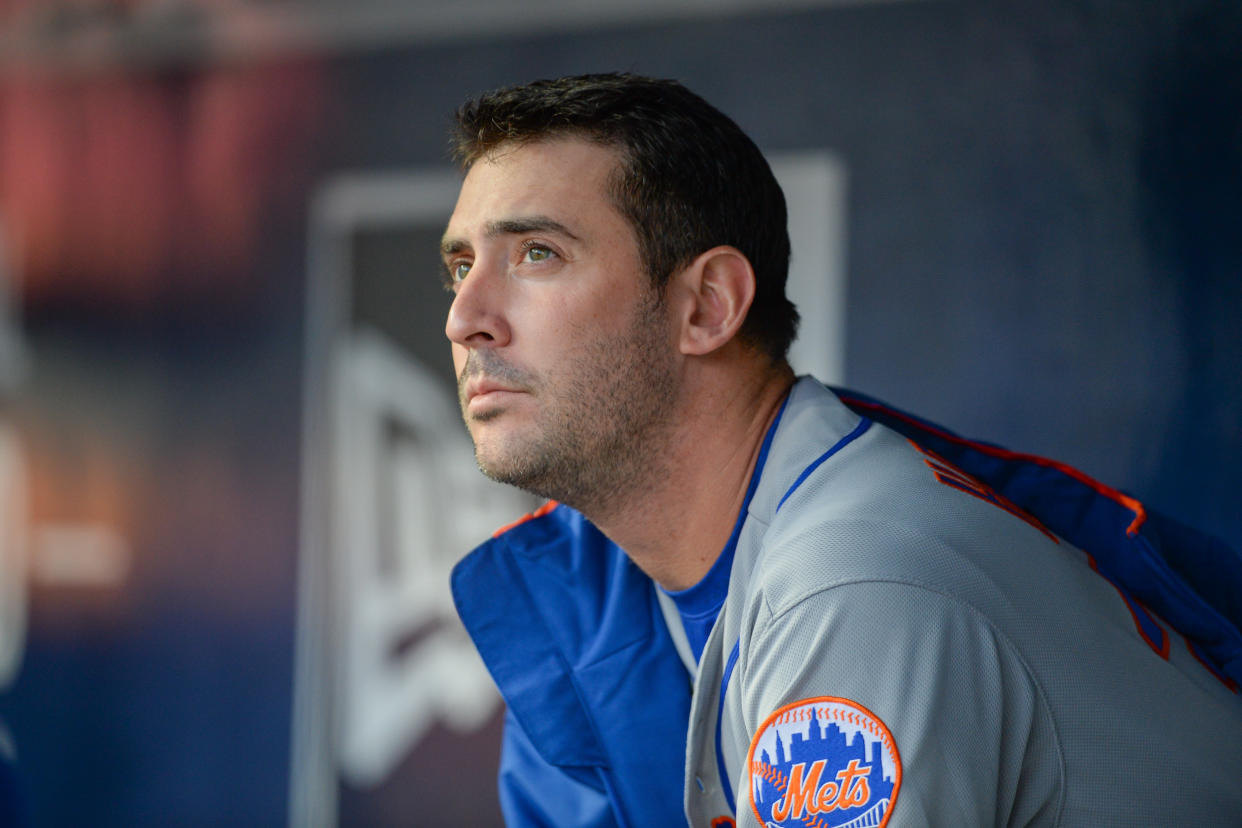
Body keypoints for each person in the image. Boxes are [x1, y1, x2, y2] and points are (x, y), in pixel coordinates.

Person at [441, 73, 1242, 827]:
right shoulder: (600, 593)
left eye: (536, 254)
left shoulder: (856, 581)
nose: (464, 318)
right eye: (462, 266)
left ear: (707, 306)